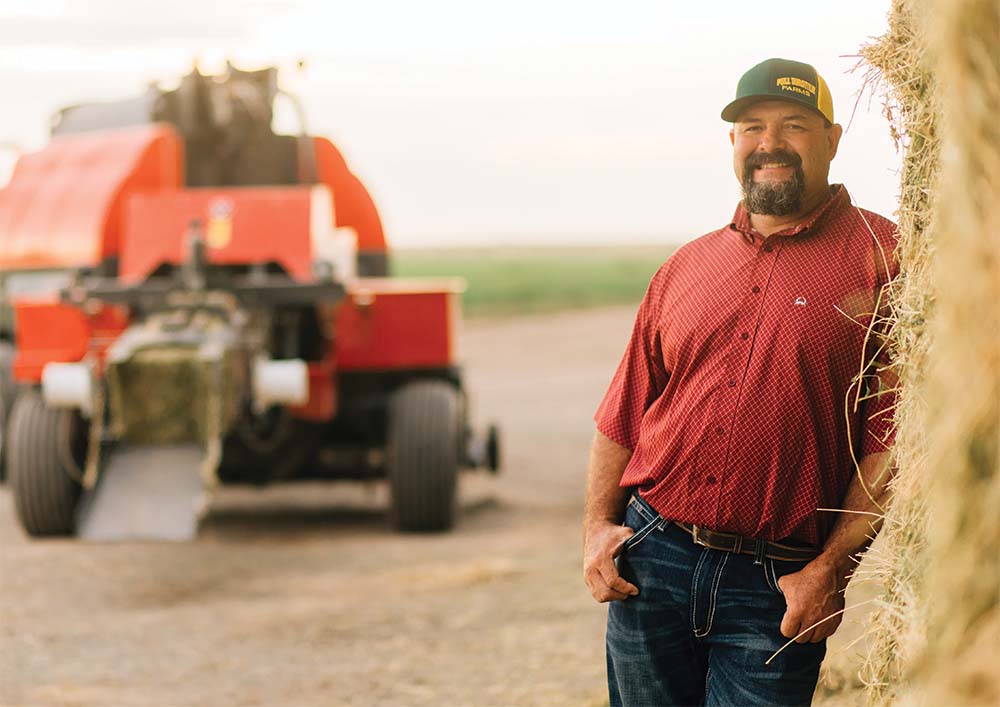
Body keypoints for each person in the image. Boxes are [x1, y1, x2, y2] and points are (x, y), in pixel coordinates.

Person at [582, 57, 898, 707]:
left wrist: (831, 571)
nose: (770, 144)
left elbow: (891, 444)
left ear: (833, 139)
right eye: (752, 126)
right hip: (654, 558)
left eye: (793, 125)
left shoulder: (885, 257)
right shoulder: (687, 265)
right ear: (733, 143)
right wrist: (597, 527)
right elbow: (623, 414)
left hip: (780, 581)